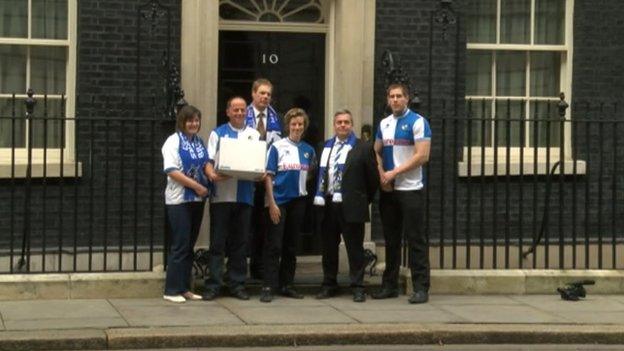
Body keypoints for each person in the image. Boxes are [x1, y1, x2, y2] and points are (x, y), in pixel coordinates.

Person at [373, 83, 432, 304]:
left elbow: (422, 155)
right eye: (392, 96)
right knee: (391, 239)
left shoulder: (418, 122)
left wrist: (394, 172)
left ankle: (421, 287)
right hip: (389, 190)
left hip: (410, 189)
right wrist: (382, 175)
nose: (395, 100)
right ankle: (389, 285)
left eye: (399, 96)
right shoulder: (384, 124)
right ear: (388, 99)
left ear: (407, 99)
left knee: (415, 239)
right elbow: (376, 151)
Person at [313, 110, 379, 302]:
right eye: (339, 122)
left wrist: (361, 199)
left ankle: (358, 286)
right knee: (329, 247)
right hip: (327, 204)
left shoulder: (363, 148)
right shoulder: (323, 147)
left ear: (352, 125)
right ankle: (329, 283)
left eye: (346, 122)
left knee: (354, 248)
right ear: (334, 125)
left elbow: (373, 179)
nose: (343, 125)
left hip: (352, 205)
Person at [202, 96, 260, 301]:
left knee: (240, 243)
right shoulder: (218, 133)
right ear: (227, 111)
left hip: (244, 196)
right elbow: (207, 161)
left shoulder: (254, 134)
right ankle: (214, 284)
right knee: (218, 243)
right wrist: (211, 174)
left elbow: (258, 164)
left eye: (243, 110)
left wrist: (258, 172)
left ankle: (237, 283)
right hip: (221, 196)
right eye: (235, 109)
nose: (239, 113)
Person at [260, 108, 316, 303]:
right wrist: (272, 203)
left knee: (291, 246)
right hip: (279, 202)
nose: (297, 127)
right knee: (274, 245)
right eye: (294, 124)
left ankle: (287, 284)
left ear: (304, 126)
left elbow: (309, 175)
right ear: (288, 126)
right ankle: (268, 285)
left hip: (298, 202)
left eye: (300, 124)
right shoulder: (276, 147)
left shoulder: (309, 150)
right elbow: (268, 176)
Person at [161, 105, 210, 303]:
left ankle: (184, 288)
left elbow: (206, 165)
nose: (194, 124)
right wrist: (197, 186)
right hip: (179, 199)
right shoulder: (172, 142)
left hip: (197, 199)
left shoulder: (198, 142)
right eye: (190, 120)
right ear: (182, 122)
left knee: (189, 245)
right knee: (180, 245)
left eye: (197, 120)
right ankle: (171, 290)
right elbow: (172, 171)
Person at [245, 78, 282, 280]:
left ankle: (259, 267)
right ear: (253, 93)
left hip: (268, 178)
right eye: (262, 93)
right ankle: (241, 266)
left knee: (264, 225)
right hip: (247, 178)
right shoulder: (244, 115)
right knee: (245, 224)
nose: (265, 97)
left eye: (268, 94)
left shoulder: (277, 117)